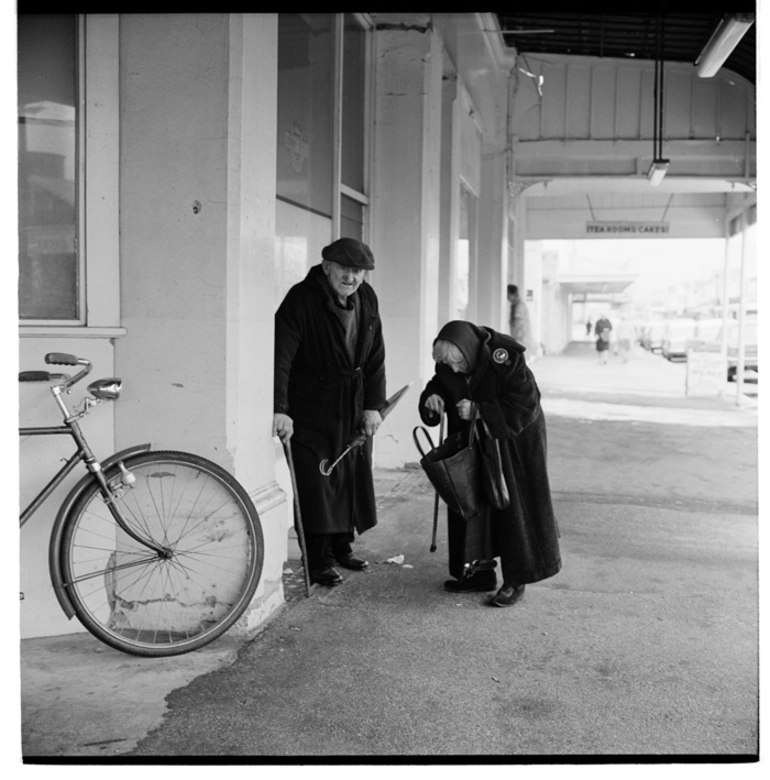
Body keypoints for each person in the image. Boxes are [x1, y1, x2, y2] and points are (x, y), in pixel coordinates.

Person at [418, 320, 561, 608]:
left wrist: (481, 411)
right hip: (475, 442)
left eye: (456, 363)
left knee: (512, 507)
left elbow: (526, 403)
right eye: (446, 364)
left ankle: (517, 579)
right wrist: (431, 399)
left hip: (515, 441)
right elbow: (439, 385)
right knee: (474, 504)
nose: (454, 370)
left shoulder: (504, 356)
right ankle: (479, 573)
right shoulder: (450, 361)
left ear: (467, 351)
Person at [273, 238, 387, 587]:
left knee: (348, 474)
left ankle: (342, 546)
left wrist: (373, 406)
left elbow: (376, 356)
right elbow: (280, 357)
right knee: (316, 481)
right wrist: (280, 409)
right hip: (312, 404)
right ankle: (318, 558)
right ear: (326, 267)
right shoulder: (301, 299)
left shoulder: (367, 298)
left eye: (358, 272)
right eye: (344, 270)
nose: (351, 278)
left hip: (351, 402)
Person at [507, 284, 536, 359]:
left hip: (521, 337)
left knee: (521, 359)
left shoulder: (519, 306)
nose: (507, 297)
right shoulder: (515, 305)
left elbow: (517, 323)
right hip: (519, 337)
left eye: (508, 294)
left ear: (513, 294)